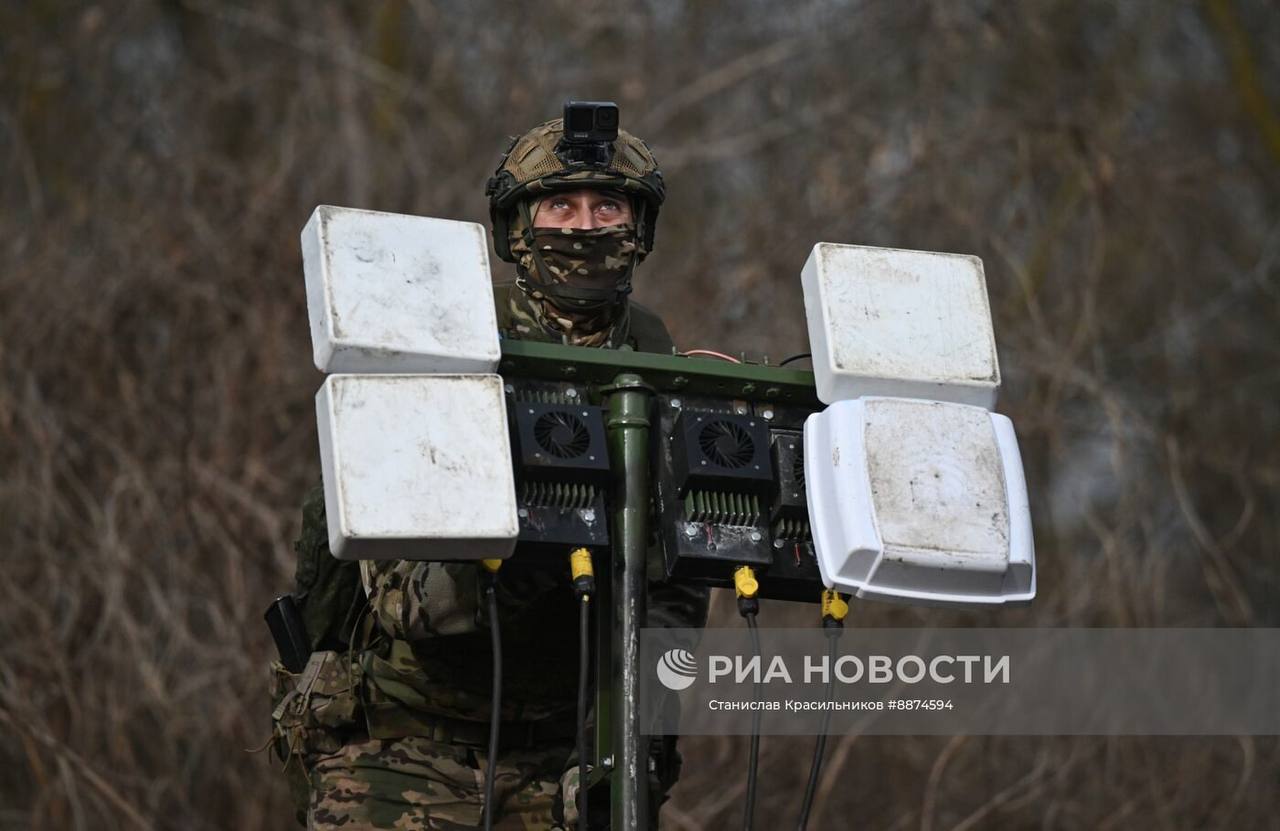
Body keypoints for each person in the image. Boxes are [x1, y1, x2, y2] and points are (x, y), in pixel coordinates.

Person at [269, 113, 710, 830]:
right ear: (516, 229)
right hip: (406, 745)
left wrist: (636, 743)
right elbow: (403, 601)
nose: (584, 226)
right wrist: (537, 545)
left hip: (567, 754)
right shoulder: (441, 341)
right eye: (560, 206)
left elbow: (675, 597)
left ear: (641, 227)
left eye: (608, 206)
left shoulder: (658, 370)